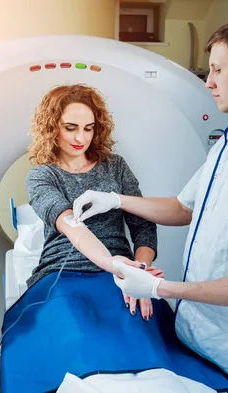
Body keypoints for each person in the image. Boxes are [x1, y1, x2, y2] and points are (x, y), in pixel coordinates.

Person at [72, 15, 228, 393]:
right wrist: (115, 200)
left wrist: (162, 290)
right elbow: (184, 208)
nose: (208, 82)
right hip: (197, 331)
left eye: (218, 70)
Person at [25, 83, 162, 320]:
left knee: (138, 335)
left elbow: (143, 226)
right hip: (62, 273)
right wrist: (110, 263)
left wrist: (139, 276)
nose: (81, 138)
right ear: (52, 128)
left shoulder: (116, 166)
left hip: (122, 274)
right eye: (71, 128)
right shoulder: (42, 176)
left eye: (88, 128)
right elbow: (70, 223)